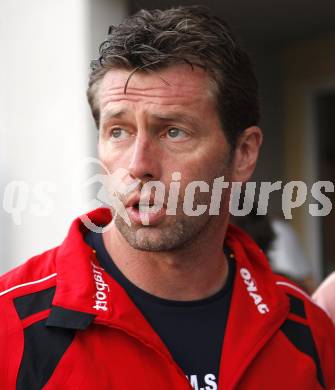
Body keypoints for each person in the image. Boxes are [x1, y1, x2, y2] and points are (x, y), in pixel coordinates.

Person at [0, 6, 334, 390]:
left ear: (243, 154)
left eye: (174, 132)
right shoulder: (10, 325)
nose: (138, 165)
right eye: (118, 131)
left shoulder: (306, 330)